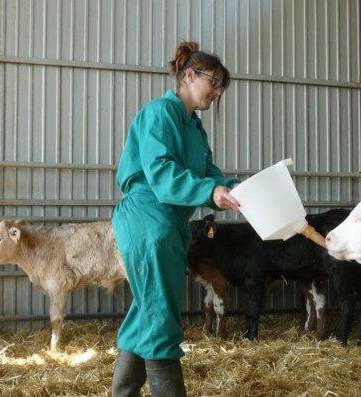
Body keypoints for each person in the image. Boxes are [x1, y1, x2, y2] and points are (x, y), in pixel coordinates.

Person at [110, 41, 241, 397]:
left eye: (221, 86)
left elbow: (210, 173)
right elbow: (163, 174)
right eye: (213, 81)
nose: (217, 91)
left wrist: (239, 190)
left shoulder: (194, 129)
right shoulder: (159, 114)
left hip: (169, 224)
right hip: (147, 217)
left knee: (148, 309)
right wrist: (210, 193)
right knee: (160, 316)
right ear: (188, 75)